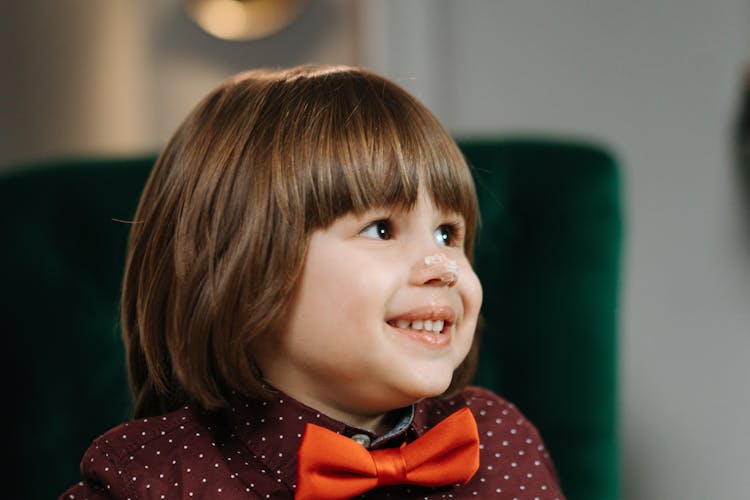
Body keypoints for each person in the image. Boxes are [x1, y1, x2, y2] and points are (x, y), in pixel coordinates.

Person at [61, 65, 564, 499]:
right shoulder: (151, 479)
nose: (443, 265)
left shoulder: (497, 444)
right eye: (382, 229)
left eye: (447, 233)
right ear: (242, 270)